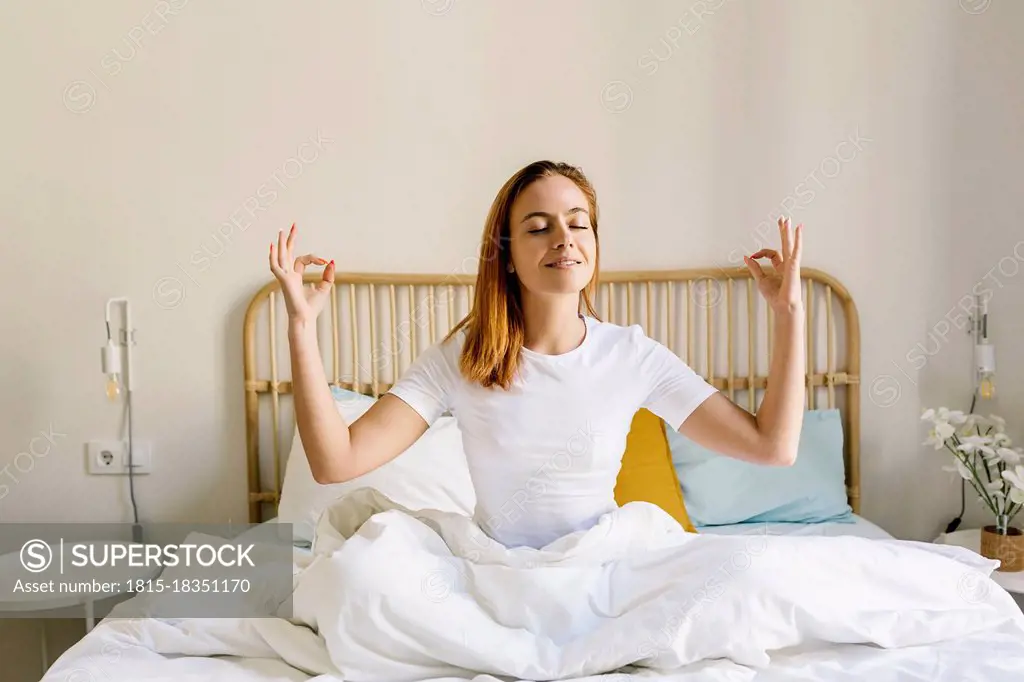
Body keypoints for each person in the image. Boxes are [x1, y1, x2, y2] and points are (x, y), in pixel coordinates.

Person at [269, 160, 806, 550]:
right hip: (495, 573)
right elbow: (334, 462)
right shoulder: (464, 357)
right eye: (538, 227)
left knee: (748, 579)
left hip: (601, 568)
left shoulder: (633, 356)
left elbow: (773, 446)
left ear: (594, 242)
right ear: (504, 256)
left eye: (578, 222)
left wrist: (789, 316)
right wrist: (300, 327)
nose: (563, 239)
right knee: (356, 573)